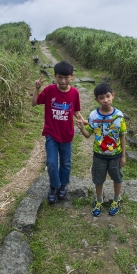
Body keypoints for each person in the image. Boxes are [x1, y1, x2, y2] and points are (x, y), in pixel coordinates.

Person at [32, 61, 83, 204]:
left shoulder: (74, 93)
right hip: (51, 134)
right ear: (55, 76)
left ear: (72, 77)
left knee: (66, 163)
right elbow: (34, 103)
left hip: (67, 134)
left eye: (66, 78)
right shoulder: (49, 90)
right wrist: (37, 89)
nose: (63, 81)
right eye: (60, 77)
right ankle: (54, 186)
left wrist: (83, 122)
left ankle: (63, 185)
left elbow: (76, 112)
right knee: (52, 163)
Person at [76, 83, 127, 216]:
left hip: (115, 155)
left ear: (113, 96)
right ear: (96, 100)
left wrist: (123, 156)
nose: (105, 100)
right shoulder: (93, 115)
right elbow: (88, 135)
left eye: (108, 96)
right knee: (98, 179)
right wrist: (81, 127)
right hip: (99, 155)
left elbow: (122, 136)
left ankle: (116, 199)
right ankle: (99, 200)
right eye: (101, 98)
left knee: (117, 178)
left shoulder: (119, 116)